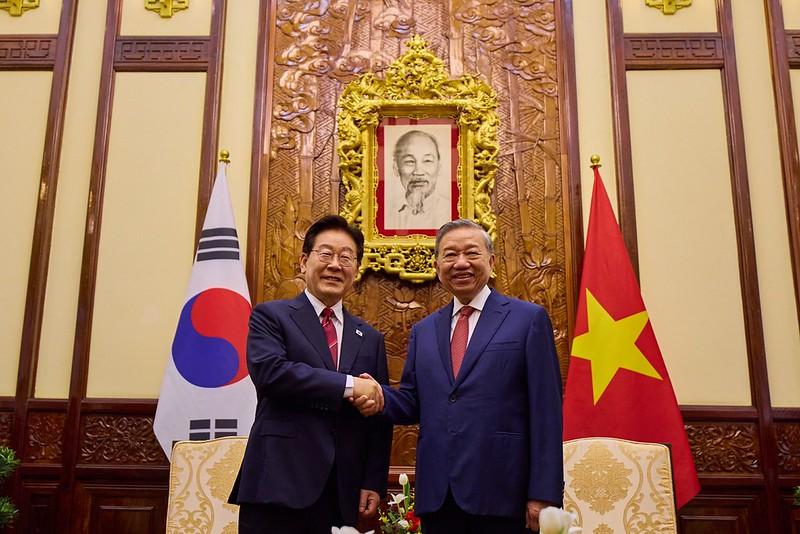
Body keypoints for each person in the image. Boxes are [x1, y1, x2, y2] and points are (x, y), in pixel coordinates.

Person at [355, 219, 564, 533]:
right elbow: (412, 402)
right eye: (450, 255)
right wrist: (379, 395)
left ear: (491, 262)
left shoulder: (528, 319)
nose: (461, 263)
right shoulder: (424, 331)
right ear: (438, 265)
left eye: (471, 253)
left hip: (505, 494)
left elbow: (546, 413)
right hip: (440, 497)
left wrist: (544, 494)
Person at [229, 215, 393, 534]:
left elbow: (377, 414)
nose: (335, 264)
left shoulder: (370, 337)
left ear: (356, 270)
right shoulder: (271, 316)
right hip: (277, 483)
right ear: (304, 262)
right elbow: (272, 373)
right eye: (326, 254)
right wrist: (349, 385)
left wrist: (372, 480)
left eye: (346, 257)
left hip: (341, 490)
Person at [384, 129, 451, 230]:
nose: (418, 171)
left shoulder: (451, 212)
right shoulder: (384, 214)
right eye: (410, 161)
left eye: (427, 160)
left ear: (439, 167)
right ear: (396, 168)